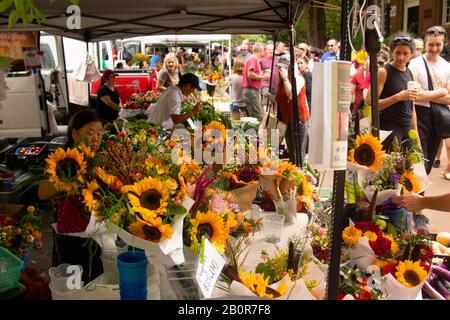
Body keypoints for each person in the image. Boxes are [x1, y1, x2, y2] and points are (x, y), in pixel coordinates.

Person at [38, 110, 104, 283]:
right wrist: (68, 176)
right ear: (75, 133)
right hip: (71, 237)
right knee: (75, 282)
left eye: (99, 133)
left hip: (97, 234)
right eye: (90, 133)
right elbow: (42, 193)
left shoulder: (98, 159)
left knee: (95, 278)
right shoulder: (64, 160)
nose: (96, 138)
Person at [365, 33, 419, 152]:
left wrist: (416, 135)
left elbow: (412, 108)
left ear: (412, 54)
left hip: (407, 129)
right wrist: (397, 97)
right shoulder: (383, 72)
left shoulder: (411, 74)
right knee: (388, 170)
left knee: (407, 169)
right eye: (398, 53)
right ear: (392, 52)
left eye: (405, 53)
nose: (401, 57)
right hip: (389, 127)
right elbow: (370, 102)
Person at [409, 26, 450, 175]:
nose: (434, 48)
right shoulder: (414, 64)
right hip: (419, 115)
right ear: (425, 44)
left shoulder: (447, 67)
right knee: (420, 159)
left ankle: (420, 195)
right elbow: (415, 96)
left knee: (430, 160)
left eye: (438, 44)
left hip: (438, 117)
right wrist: (441, 91)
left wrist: (426, 94)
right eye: (430, 44)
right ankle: (417, 195)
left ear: (444, 43)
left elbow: (449, 99)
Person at [277, 56, 309, 163]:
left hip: (298, 119)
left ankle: (300, 176)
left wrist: (285, 78)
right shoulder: (281, 80)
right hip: (287, 120)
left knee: (298, 153)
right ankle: (293, 175)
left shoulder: (298, 78)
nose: (280, 70)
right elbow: (282, 99)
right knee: (291, 152)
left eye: (283, 67)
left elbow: (291, 95)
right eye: (279, 67)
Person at [242, 42, 269, 121]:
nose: (264, 52)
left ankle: (252, 133)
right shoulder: (253, 58)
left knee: (252, 118)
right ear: (261, 50)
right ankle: (255, 133)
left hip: (251, 91)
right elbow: (250, 75)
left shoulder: (252, 58)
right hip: (251, 91)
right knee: (258, 117)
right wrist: (263, 76)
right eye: (264, 50)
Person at [260, 43, 280, 112]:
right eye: (269, 49)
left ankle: (274, 119)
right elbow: (259, 72)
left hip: (276, 85)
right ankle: (266, 120)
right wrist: (263, 74)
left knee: (275, 103)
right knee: (266, 103)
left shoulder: (278, 60)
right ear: (266, 50)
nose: (271, 51)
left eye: (272, 49)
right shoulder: (262, 60)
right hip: (266, 85)